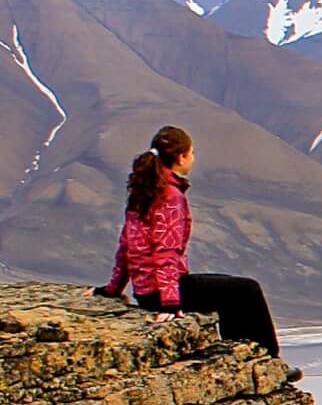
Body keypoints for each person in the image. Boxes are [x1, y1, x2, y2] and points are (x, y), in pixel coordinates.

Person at [93, 125, 284, 358]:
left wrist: (113, 289)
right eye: (191, 153)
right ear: (181, 157)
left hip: (145, 291)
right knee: (247, 290)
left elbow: (126, 247)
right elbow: (166, 251)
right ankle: (268, 358)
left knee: (230, 288)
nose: (193, 158)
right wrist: (170, 303)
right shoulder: (170, 196)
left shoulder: (143, 191)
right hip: (163, 292)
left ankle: (243, 353)